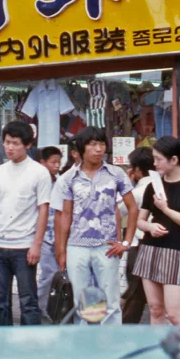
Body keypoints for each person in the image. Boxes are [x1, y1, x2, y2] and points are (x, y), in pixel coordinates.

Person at [54, 127, 138, 325]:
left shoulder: (116, 174)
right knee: (83, 303)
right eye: (93, 144)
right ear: (82, 149)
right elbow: (65, 215)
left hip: (106, 246)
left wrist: (125, 242)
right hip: (77, 246)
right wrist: (62, 250)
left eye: (101, 144)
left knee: (110, 301)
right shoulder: (69, 177)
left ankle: (110, 347)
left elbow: (132, 208)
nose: (98, 149)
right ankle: (86, 348)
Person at [134, 136, 180, 326]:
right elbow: (139, 221)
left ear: (174, 160)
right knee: (155, 309)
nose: (155, 163)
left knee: (174, 314)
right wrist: (150, 226)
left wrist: (165, 209)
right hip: (150, 249)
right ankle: (158, 352)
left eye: (159, 159)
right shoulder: (153, 186)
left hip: (176, 251)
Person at [0, 121, 52, 326]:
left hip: (24, 247)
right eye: (7, 142)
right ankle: (3, 344)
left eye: (15, 143)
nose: (10, 147)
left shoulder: (39, 172)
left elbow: (44, 209)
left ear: (27, 145)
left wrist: (36, 245)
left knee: (28, 302)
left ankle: (29, 347)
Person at [120, 147, 154, 324]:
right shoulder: (161, 186)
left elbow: (117, 210)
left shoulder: (138, 192)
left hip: (137, 246)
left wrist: (126, 182)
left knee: (134, 296)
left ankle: (125, 328)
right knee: (139, 293)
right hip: (156, 245)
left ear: (137, 169)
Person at [35, 145, 64, 318]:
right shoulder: (37, 182)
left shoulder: (61, 182)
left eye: (59, 162)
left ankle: (56, 308)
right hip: (44, 237)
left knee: (59, 274)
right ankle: (42, 308)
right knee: (48, 275)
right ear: (42, 163)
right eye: (53, 162)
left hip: (60, 236)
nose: (57, 166)